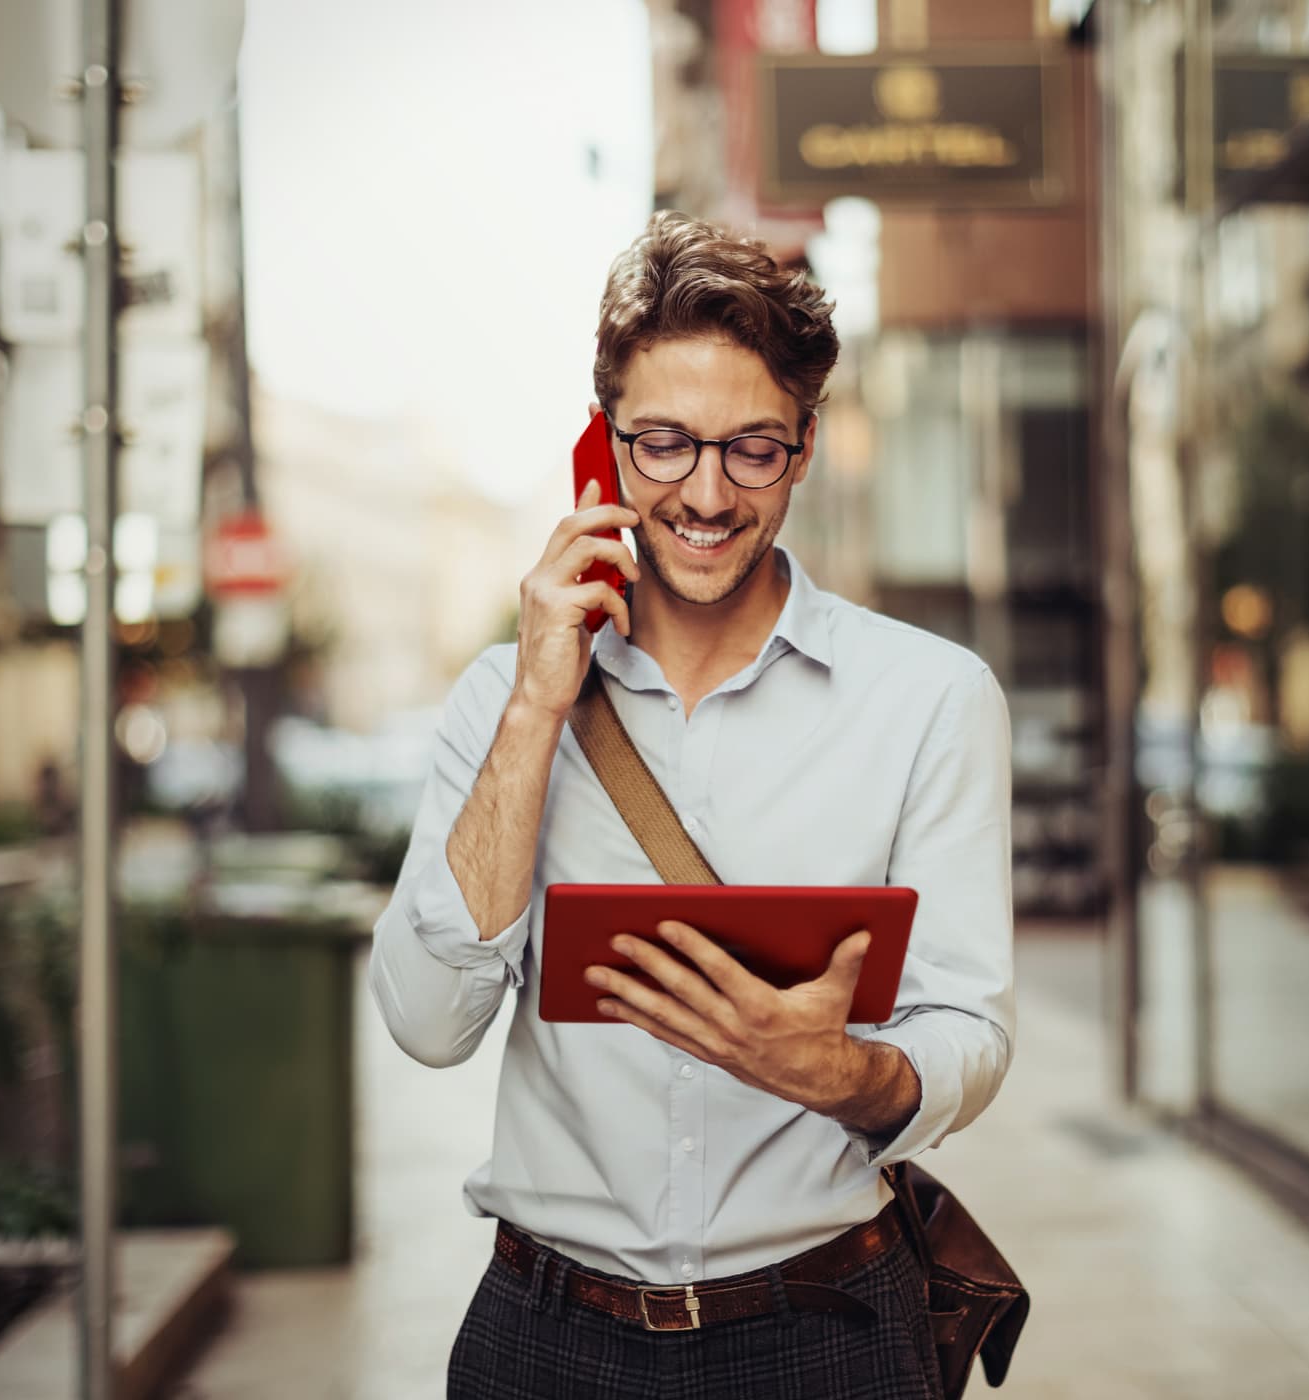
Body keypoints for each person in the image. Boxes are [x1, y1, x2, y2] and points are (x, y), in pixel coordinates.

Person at [368, 211, 1015, 1399]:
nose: (706, 493)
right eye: (663, 443)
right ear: (603, 441)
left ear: (805, 446)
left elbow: (969, 1027)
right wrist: (537, 708)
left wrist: (843, 1072)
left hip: (826, 1330)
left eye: (752, 448)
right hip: (547, 1337)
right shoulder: (502, 701)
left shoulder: (932, 697)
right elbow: (427, 1021)